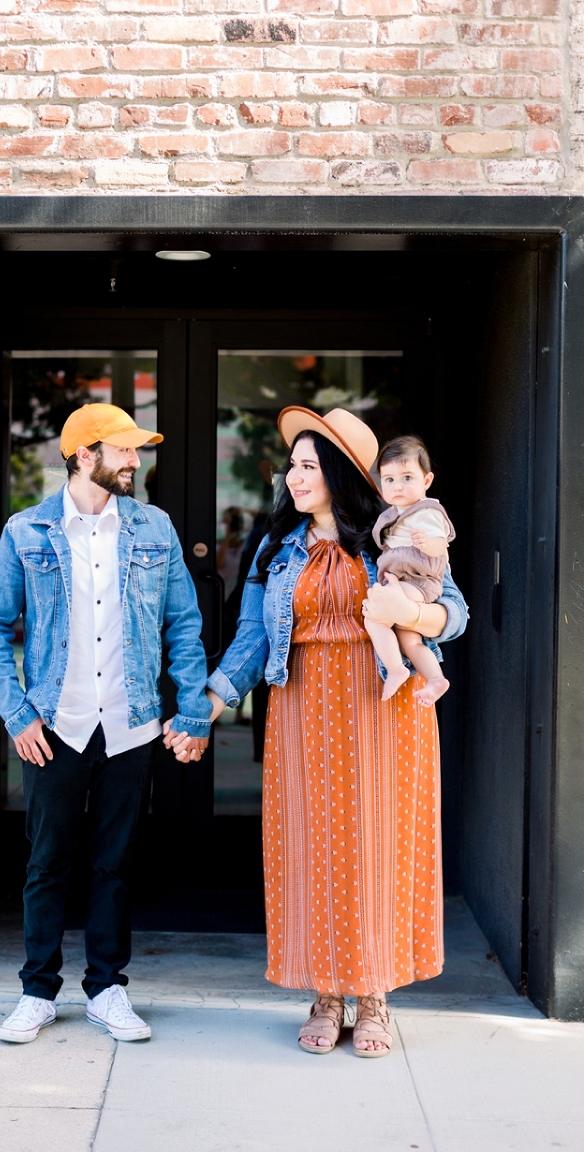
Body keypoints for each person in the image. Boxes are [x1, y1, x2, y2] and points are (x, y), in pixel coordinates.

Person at [165, 407, 468, 1058]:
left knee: (378, 852)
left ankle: (375, 998)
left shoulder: (391, 536)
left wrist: (413, 610)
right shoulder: (276, 549)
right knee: (314, 855)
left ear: (340, 472)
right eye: (292, 467)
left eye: (308, 466)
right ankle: (327, 994)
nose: (293, 478)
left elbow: (456, 612)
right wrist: (203, 712)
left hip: (385, 711)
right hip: (304, 714)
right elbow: (250, 639)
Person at [0, 403, 211, 1046]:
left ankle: (108, 989)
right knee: (47, 862)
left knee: (115, 863)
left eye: (138, 450)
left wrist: (192, 707)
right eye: (124, 449)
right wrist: (16, 712)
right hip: (53, 725)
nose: (136, 460)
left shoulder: (154, 529)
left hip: (130, 724)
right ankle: (36, 992)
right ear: (84, 455)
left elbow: (183, 626)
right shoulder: (26, 532)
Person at [365, 434, 456, 705]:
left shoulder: (427, 511)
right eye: (389, 479)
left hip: (418, 581)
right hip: (407, 581)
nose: (398, 486)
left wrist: (429, 544)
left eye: (407, 478)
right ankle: (436, 679)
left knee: (375, 614)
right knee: (410, 640)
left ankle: (396, 669)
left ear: (426, 481)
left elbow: (443, 543)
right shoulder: (392, 515)